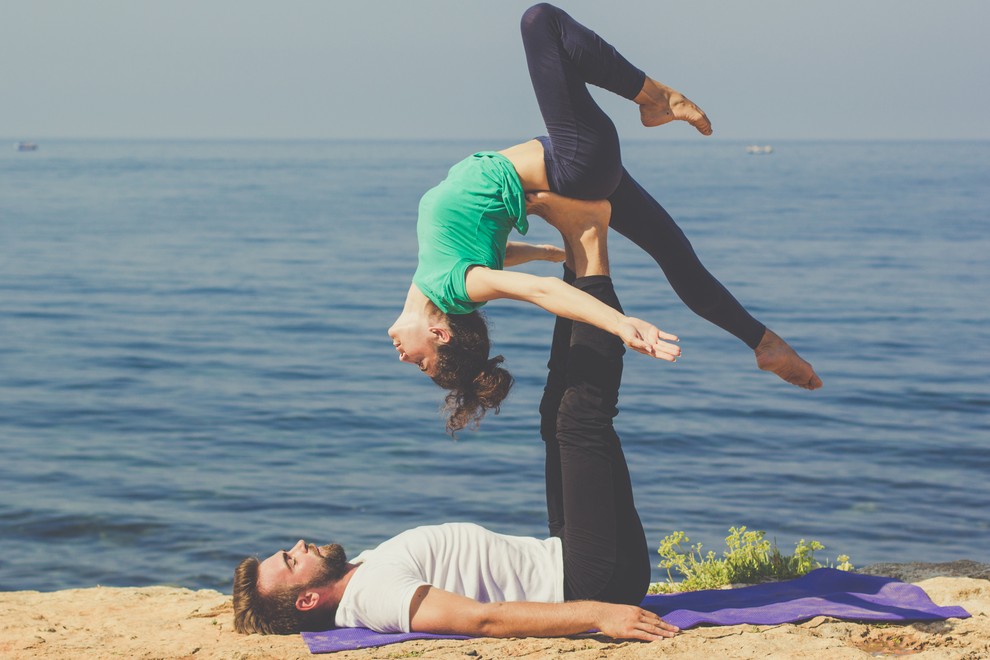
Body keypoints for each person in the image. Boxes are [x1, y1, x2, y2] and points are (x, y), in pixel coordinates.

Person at [233, 203, 674, 642]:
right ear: (307, 599)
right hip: (587, 582)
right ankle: (592, 251)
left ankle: (581, 267)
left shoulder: (358, 573)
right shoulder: (374, 596)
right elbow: (482, 619)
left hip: (568, 556)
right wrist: (600, 614)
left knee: (554, 415)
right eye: (291, 562)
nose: (299, 546)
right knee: (580, 421)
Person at [388, 3, 821, 434]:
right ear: (440, 334)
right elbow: (540, 292)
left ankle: (765, 344)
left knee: (677, 258)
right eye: (420, 362)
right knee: (540, 21)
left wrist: (542, 251)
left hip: (579, 170)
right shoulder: (456, 288)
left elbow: (490, 253)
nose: (404, 357)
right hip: (574, 163)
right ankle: (658, 99)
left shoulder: (438, 280)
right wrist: (619, 323)